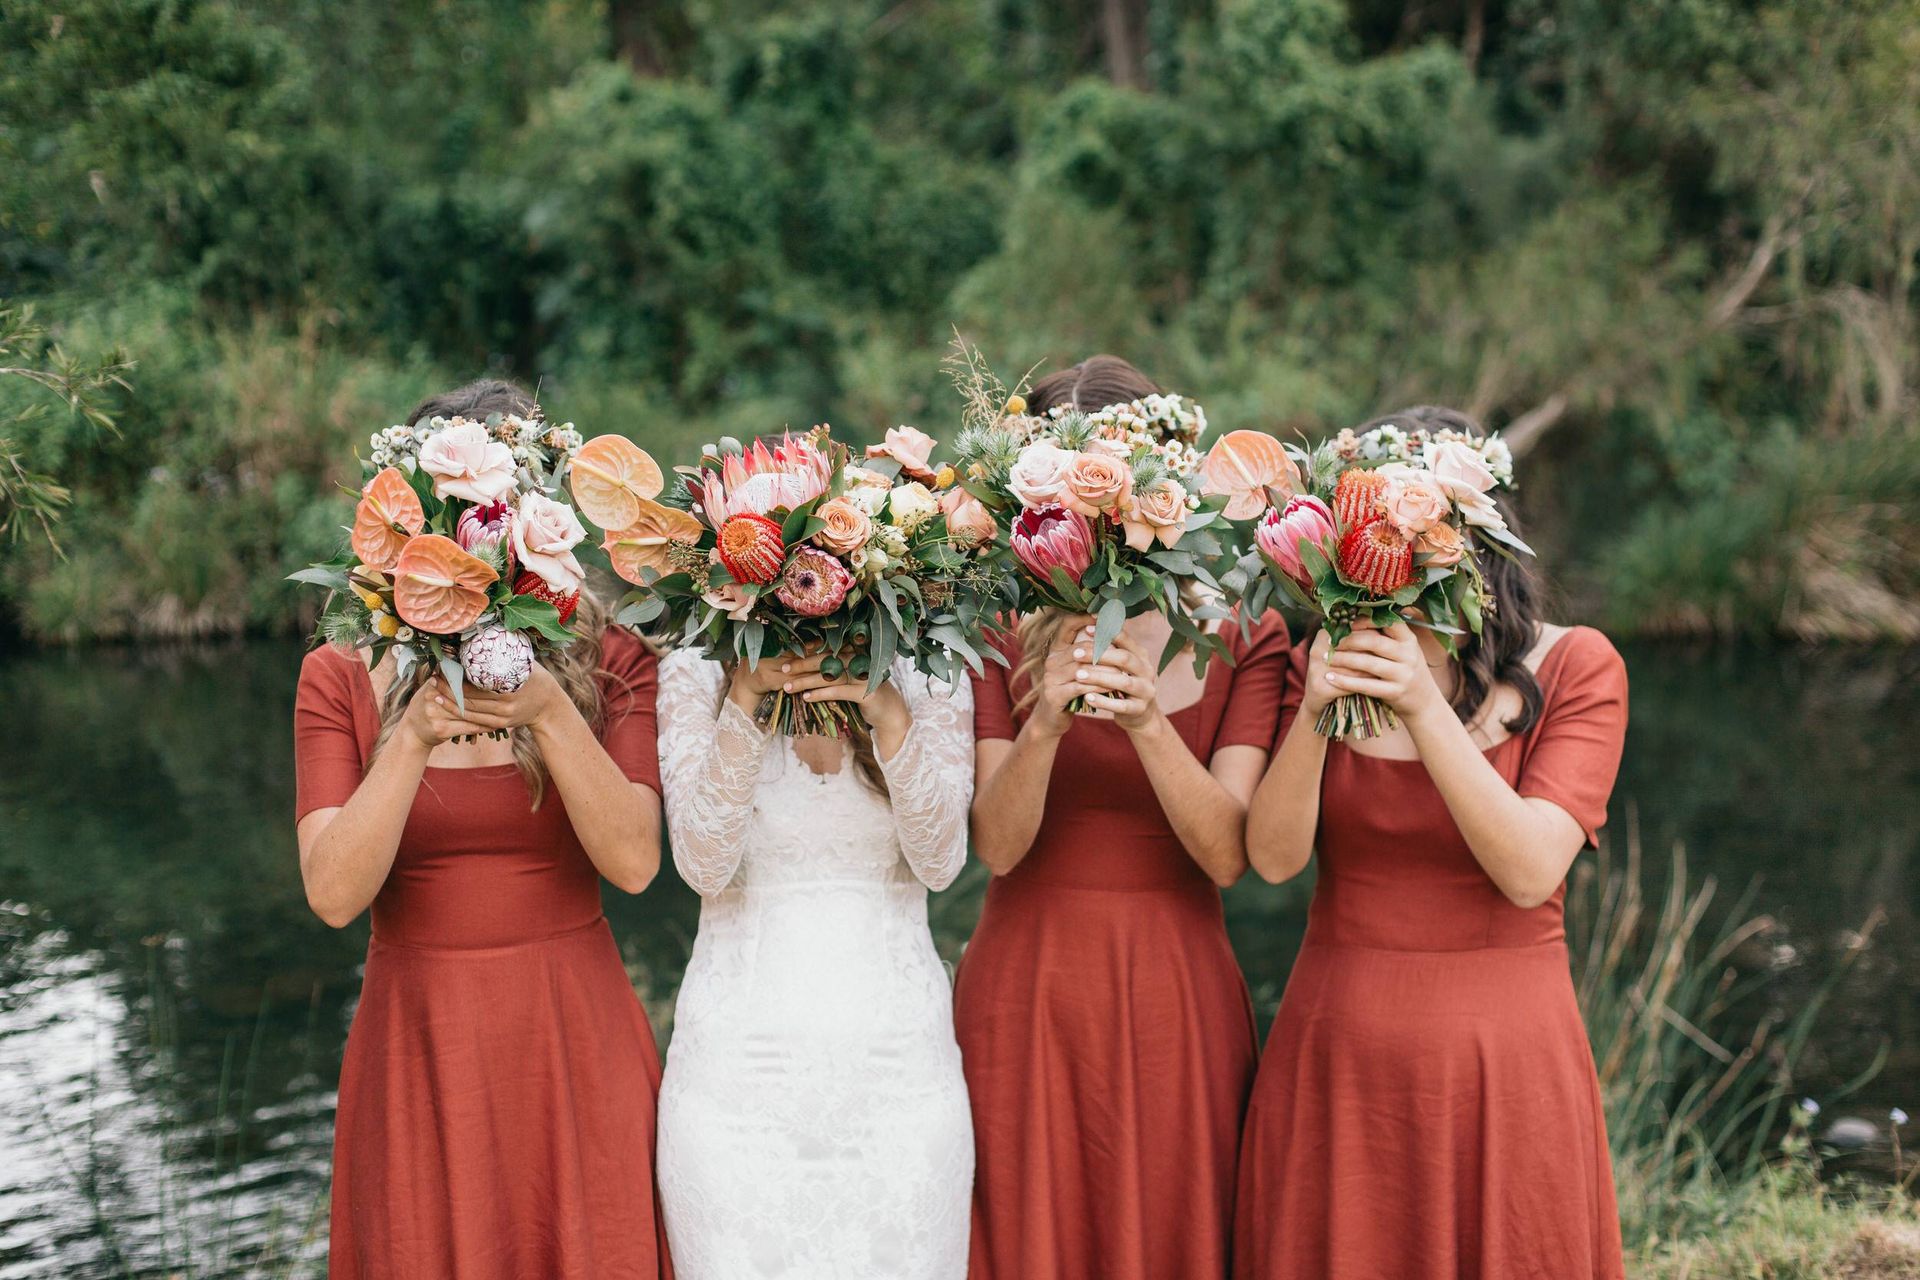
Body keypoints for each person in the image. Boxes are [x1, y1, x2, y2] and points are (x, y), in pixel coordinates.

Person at [1235, 405, 1630, 1280]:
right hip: (1335, 1060)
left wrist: (1421, 706)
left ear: (1466, 540)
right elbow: (1270, 860)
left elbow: (1530, 871)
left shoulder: (1579, 667)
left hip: (1504, 1070)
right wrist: (1313, 709)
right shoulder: (1323, 663)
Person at [292, 380, 673, 1280]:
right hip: (419, 1049)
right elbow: (334, 893)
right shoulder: (339, 675)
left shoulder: (609, 658)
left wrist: (547, 710)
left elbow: (634, 864)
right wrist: (414, 732)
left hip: (571, 1040)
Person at [956, 357, 1289, 1279]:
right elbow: (998, 845)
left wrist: (1146, 722)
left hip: (1174, 994)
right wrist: (1047, 724)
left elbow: (1231, 855)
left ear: (1160, 494)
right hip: (1025, 991)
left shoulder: (1243, 633)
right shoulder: (991, 628)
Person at [653, 646, 975, 1278]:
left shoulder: (929, 665)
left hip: (899, 1091)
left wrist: (890, 716)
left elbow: (940, 864)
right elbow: (703, 866)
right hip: (738, 1098)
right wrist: (744, 698)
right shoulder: (698, 669)